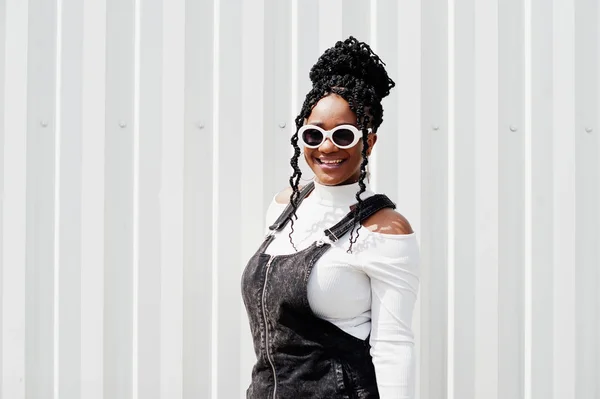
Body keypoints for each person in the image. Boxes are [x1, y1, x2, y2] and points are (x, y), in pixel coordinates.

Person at [241, 36, 420, 399]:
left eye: (343, 135)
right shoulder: (282, 209)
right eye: (314, 134)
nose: (327, 147)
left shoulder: (385, 229)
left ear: (368, 143)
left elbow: (393, 347)